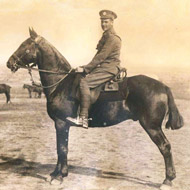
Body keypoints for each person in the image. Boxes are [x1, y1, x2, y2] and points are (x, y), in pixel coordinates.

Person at [66, 9, 122, 128]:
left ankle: (83, 118)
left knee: (84, 82)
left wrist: (86, 70)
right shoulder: (106, 36)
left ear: (112, 22)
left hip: (109, 68)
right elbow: (97, 57)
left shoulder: (113, 38)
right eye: (102, 22)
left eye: (106, 22)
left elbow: (101, 57)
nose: (103, 24)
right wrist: (85, 67)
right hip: (104, 67)